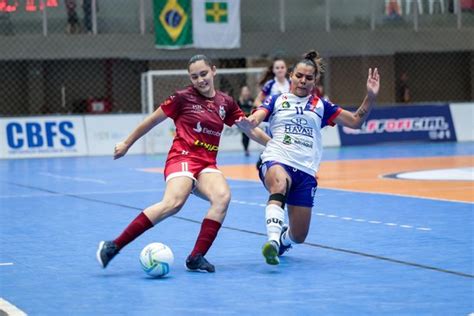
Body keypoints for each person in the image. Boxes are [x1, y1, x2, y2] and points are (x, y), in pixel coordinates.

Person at [96, 55, 270, 273]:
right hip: (182, 157)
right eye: (194, 76)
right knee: (174, 203)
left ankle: (196, 256)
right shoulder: (182, 98)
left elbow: (248, 128)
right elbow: (152, 120)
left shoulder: (225, 102)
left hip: (207, 164)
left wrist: (273, 146)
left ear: (213, 71)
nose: (200, 80)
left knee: (222, 197)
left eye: (204, 74)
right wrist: (126, 143)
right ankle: (114, 246)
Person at [238, 51, 380, 265]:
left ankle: (285, 240)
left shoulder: (322, 106)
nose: (303, 81)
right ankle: (273, 242)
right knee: (279, 183)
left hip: (305, 171)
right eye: (299, 76)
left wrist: (370, 97)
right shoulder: (277, 100)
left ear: (315, 81)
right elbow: (259, 115)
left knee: (299, 236)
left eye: (308, 78)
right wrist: (252, 121)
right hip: (277, 158)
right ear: (291, 76)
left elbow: (355, 122)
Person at [237, 85, 255, 156]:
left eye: (246, 91)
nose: (245, 92)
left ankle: (247, 148)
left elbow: (255, 108)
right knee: (244, 135)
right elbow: (237, 110)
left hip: (250, 120)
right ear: (241, 92)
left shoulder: (252, 100)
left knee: (250, 135)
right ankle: (246, 149)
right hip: (243, 121)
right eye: (244, 91)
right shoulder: (239, 101)